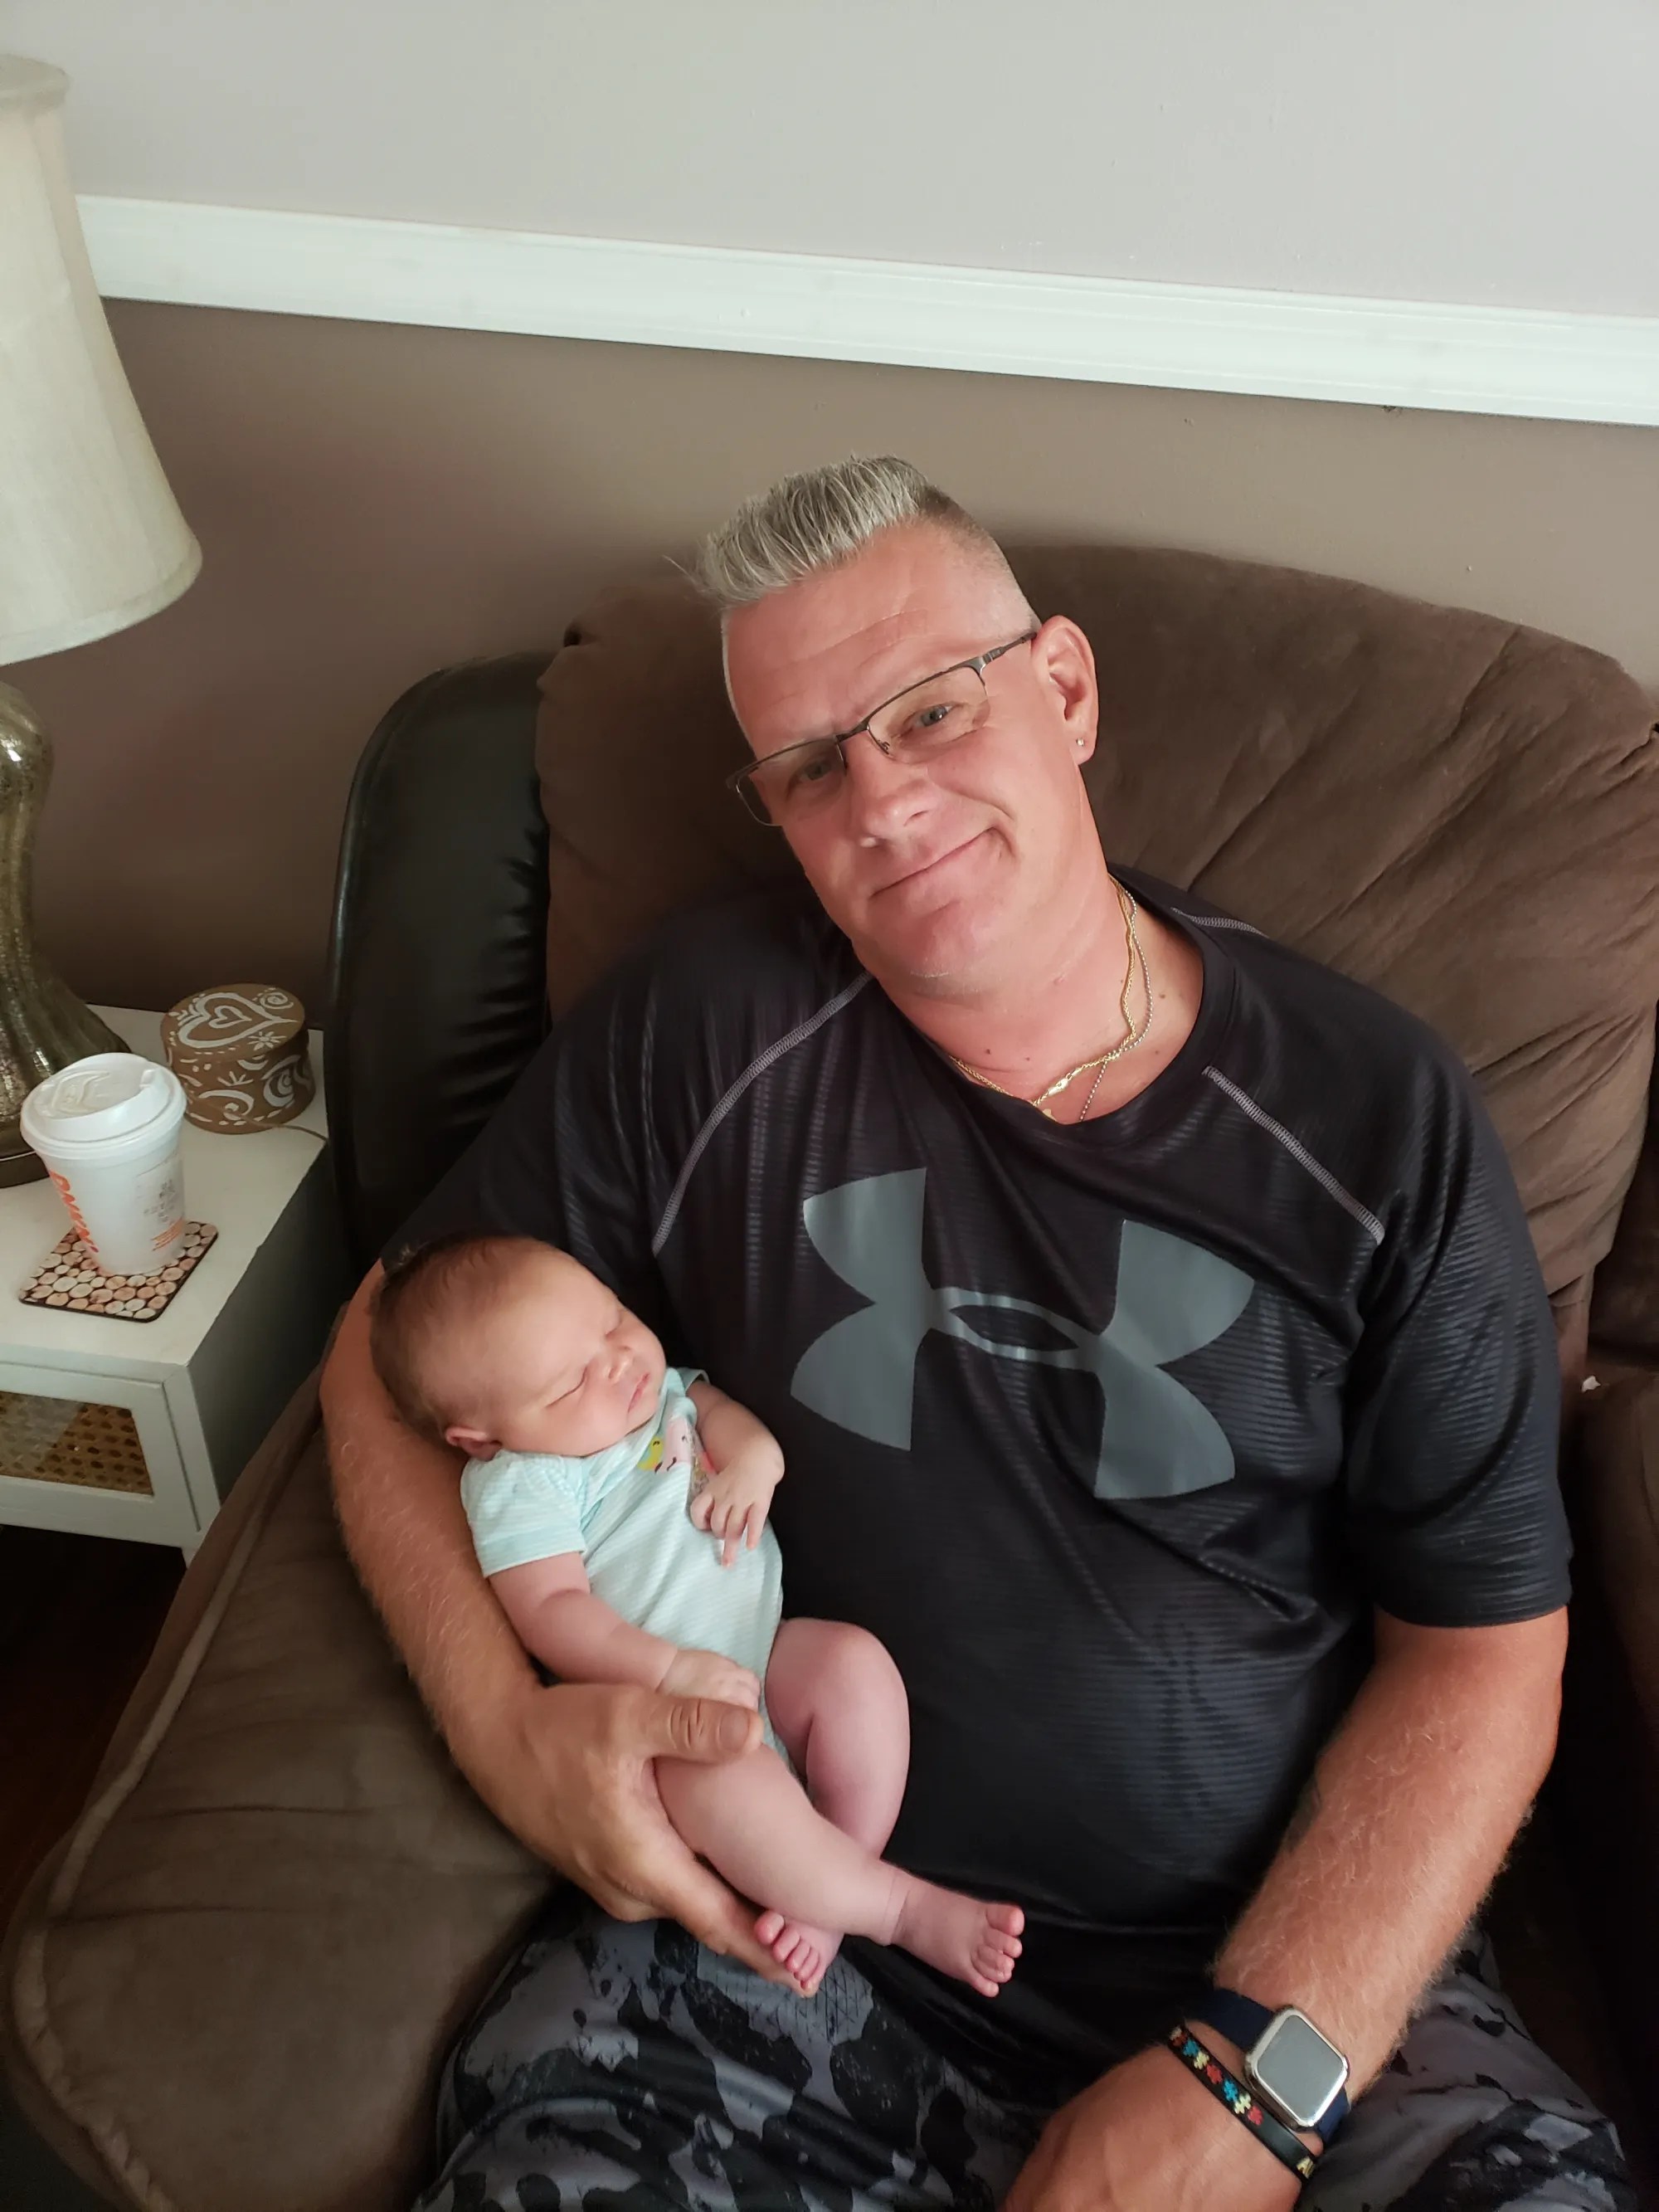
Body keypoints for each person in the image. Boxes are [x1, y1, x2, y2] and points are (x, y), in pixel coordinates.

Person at [320, 456, 1635, 2210]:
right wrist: (507, 1734)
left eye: (932, 709)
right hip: (804, 1923)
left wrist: (1252, 2083)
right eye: (810, 764)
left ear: (1065, 690)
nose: (880, 799)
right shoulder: (705, 1030)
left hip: (1272, 1963)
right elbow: (384, 1343)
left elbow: (1483, 1650)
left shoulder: (1374, 1118)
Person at [366, 1230, 1025, 1999]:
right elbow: (551, 1612)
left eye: (612, 1319)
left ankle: (838, 1879)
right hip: (671, 1720)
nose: (619, 1362)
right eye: (571, 1384)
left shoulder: (663, 1394)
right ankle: (897, 1909)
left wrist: (755, 1463)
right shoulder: (522, 1483)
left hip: (765, 1650)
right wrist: (670, 1670)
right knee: (731, 1787)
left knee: (856, 1669)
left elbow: (731, 1423)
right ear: (482, 1439)